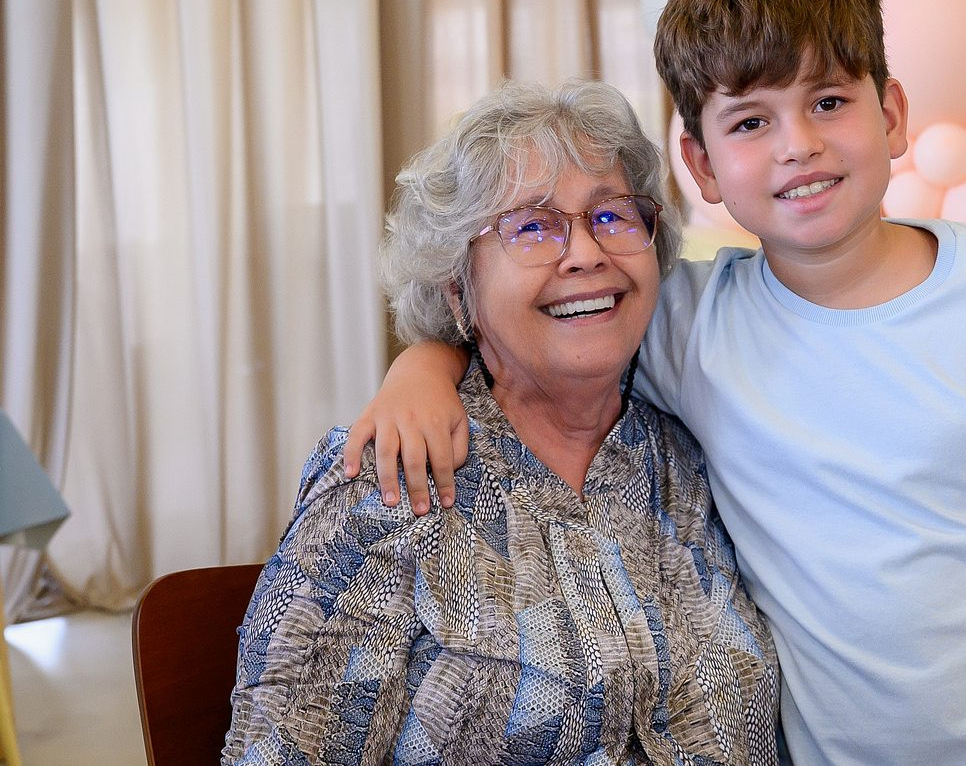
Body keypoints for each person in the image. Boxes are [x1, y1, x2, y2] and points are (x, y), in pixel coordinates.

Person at [344, 0, 966, 765]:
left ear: (891, 115)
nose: (797, 145)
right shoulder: (688, 323)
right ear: (702, 166)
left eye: (829, 102)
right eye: (751, 121)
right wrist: (422, 368)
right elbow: (540, 325)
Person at [222, 80, 781, 764]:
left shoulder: (691, 456)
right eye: (531, 227)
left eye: (612, 216)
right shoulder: (389, 476)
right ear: (460, 291)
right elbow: (278, 749)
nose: (586, 253)